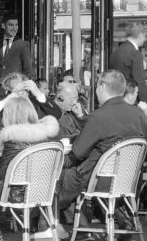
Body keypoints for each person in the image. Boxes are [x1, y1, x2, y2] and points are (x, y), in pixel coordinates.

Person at [56, 69, 147, 232]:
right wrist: (82, 119)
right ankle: (85, 226)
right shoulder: (139, 114)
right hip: (130, 179)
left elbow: (78, 152)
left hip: (100, 180)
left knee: (62, 173)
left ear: (103, 87)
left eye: (97, 86)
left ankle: (48, 221)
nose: (95, 90)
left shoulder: (99, 116)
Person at [0, 96, 60, 241]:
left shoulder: (13, 138)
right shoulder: (45, 136)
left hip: (17, 193)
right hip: (43, 191)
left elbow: (2, 173)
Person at [0, 72, 59, 136]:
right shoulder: (2, 106)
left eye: (25, 91)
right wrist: (5, 101)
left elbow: (57, 114)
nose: (22, 95)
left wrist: (38, 94)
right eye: (18, 92)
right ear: (8, 92)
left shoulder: (34, 105)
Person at [0, 17, 33, 99]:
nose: (14, 28)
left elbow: (27, 70)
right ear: (4, 26)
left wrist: (20, 87)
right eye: (11, 25)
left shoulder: (22, 45)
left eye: (16, 25)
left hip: (15, 90)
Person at [108, 21, 147, 104]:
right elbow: (139, 81)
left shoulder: (117, 51)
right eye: (145, 36)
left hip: (115, 97)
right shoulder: (135, 53)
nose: (145, 39)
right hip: (130, 98)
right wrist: (145, 101)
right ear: (140, 35)